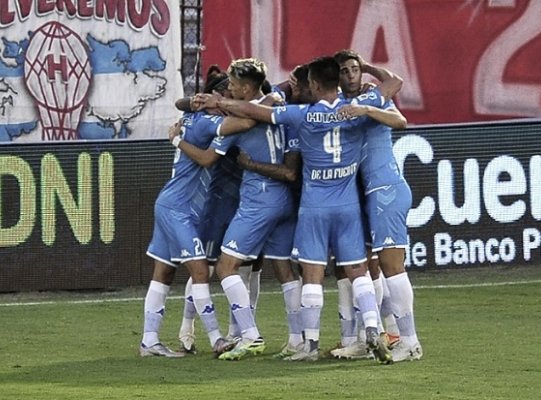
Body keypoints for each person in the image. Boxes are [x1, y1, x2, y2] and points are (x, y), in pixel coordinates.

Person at [200, 56, 403, 363]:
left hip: (314, 207)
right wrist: (367, 85)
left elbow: (254, 110)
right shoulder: (357, 108)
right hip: (347, 205)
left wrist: (217, 105)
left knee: (312, 275)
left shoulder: (303, 115)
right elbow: (393, 84)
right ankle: (373, 329)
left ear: (315, 85)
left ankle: (309, 345)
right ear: (337, 82)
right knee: (358, 270)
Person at [171, 58, 300, 361]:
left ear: (244, 88)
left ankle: (250, 336)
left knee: (225, 268)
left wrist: (177, 139)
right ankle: (300, 340)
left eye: (231, 84)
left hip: (258, 200)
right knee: (282, 269)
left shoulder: (237, 124)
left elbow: (206, 158)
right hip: (284, 199)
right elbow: (272, 98)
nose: (226, 88)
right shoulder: (277, 106)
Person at [139, 71, 255, 358]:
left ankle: (149, 340)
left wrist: (194, 103)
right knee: (201, 271)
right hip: (177, 207)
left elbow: (183, 104)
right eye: (225, 93)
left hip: (174, 203)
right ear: (214, 97)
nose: (229, 96)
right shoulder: (207, 123)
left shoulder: (195, 117)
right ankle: (216, 338)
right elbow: (248, 121)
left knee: (163, 272)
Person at [333, 49, 423, 362]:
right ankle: (368, 337)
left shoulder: (374, 98)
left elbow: (401, 121)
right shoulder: (340, 107)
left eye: (354, 69)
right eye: (344, 71)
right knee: (368, 269)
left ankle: (410, 342)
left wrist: (367, 109)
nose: (350, 75)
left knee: (392, 267)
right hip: (364, 195)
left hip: (387, 189)